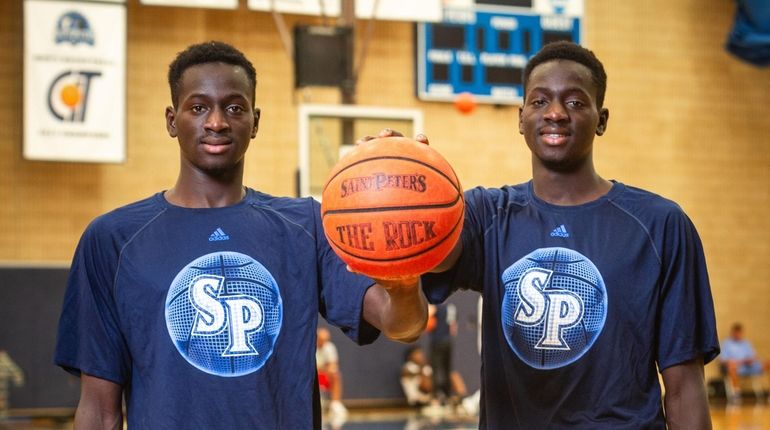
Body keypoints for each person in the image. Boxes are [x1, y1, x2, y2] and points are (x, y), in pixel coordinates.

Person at [54, 41, 427, 429]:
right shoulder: (113, 240)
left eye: (234, 107)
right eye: (198, 107)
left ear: (255, 121)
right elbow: (98, 410)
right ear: (171, 120)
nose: (217, 121)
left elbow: (405, 325)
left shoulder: (307, 225)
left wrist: (402, 276)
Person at [369, 41, 720, 428]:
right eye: (539, 102)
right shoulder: (488, 214)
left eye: (574, 102)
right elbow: (432, 250)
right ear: (521, 119)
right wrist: (396, 184)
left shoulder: (661, 225)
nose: (555, 113)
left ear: (601, 119)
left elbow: (685, 385)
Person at [720, 322, 769, 402]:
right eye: (736, 332)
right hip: (736, 367)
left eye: (739, 332)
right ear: (732, 332)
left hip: (749, 366)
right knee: (732, 366)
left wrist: (750, 359)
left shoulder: (746, 343)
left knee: (768, 363)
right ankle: (736, 393)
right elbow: (723, 360)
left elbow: (754, 356)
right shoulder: (727, 343)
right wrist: (738, 362)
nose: (737, 334)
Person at [316, 327, 347, 418]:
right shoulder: (310, 347)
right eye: (321, 340)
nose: (323, 342)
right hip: (313, 377)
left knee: (336, 375)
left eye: (325, 340)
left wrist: (322, 368)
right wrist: (324, 367)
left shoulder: (330, 347)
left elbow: (333, 366)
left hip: (324, 376)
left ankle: (335, 404)